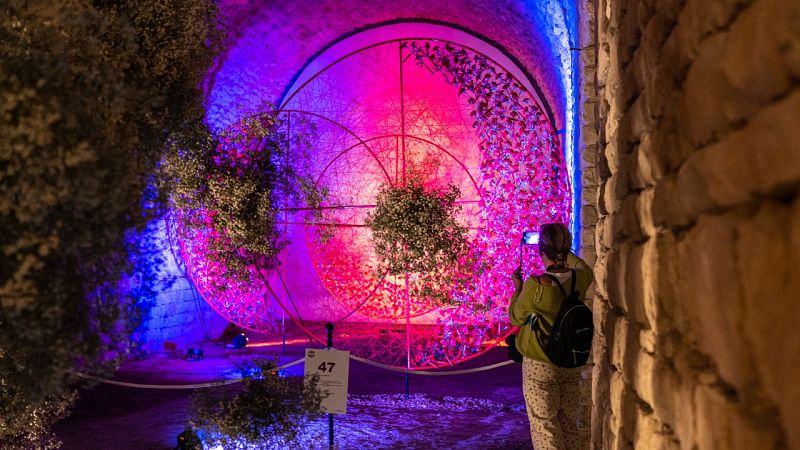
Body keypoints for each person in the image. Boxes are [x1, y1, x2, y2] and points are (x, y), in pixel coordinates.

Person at [509, 223, 594, 450]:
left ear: (541, 252)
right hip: (570, 362)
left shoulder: (537, 285)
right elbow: (581, 265)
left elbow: (516, 317)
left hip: (540, 365)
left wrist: (517, 288)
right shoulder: (581, 278)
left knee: (545, 428)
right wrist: (563, 251)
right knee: (568, 425)